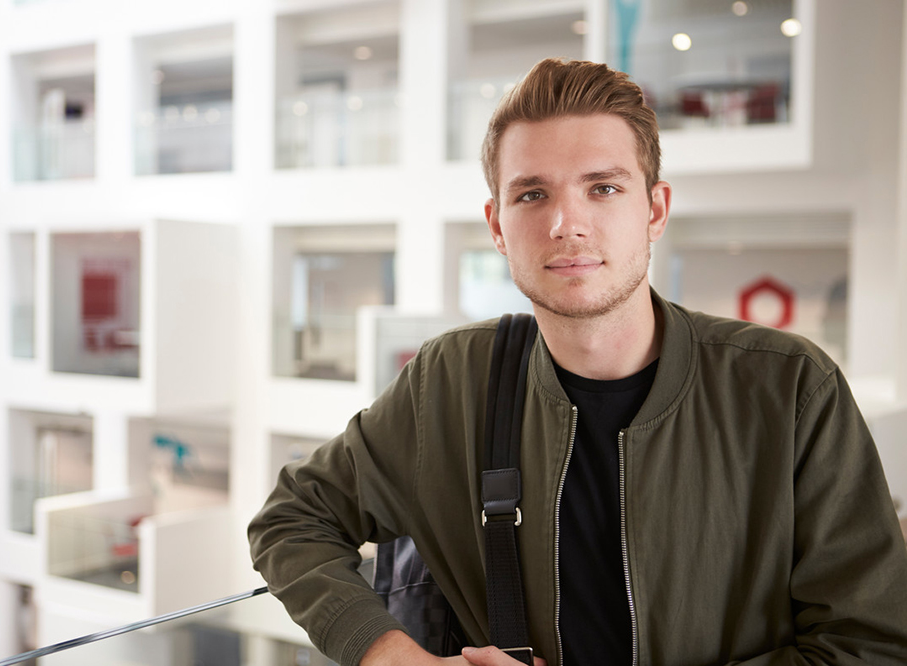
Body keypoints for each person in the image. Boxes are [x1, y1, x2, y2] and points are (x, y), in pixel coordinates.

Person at [248, 58, 907, 666]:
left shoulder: (789, 386)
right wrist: (390, 655)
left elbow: (868, 642)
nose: (566, 222)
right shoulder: (452, 379)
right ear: (498, 226)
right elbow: (291, 518)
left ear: (655, 209)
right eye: (532, 194)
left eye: (603, 188)